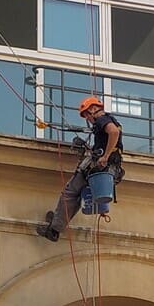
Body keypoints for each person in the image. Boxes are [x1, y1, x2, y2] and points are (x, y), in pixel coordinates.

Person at [37, 96, 123, 242]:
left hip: (100, 167)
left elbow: (113, 132)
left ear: (94, 109)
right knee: (75, 195)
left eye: (87, 115)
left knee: (70, 192)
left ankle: (54, 229)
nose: (88, 118)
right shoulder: (108, 120)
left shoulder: (102, 119)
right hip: (107, 168)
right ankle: (58, 221)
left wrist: (105, 156)